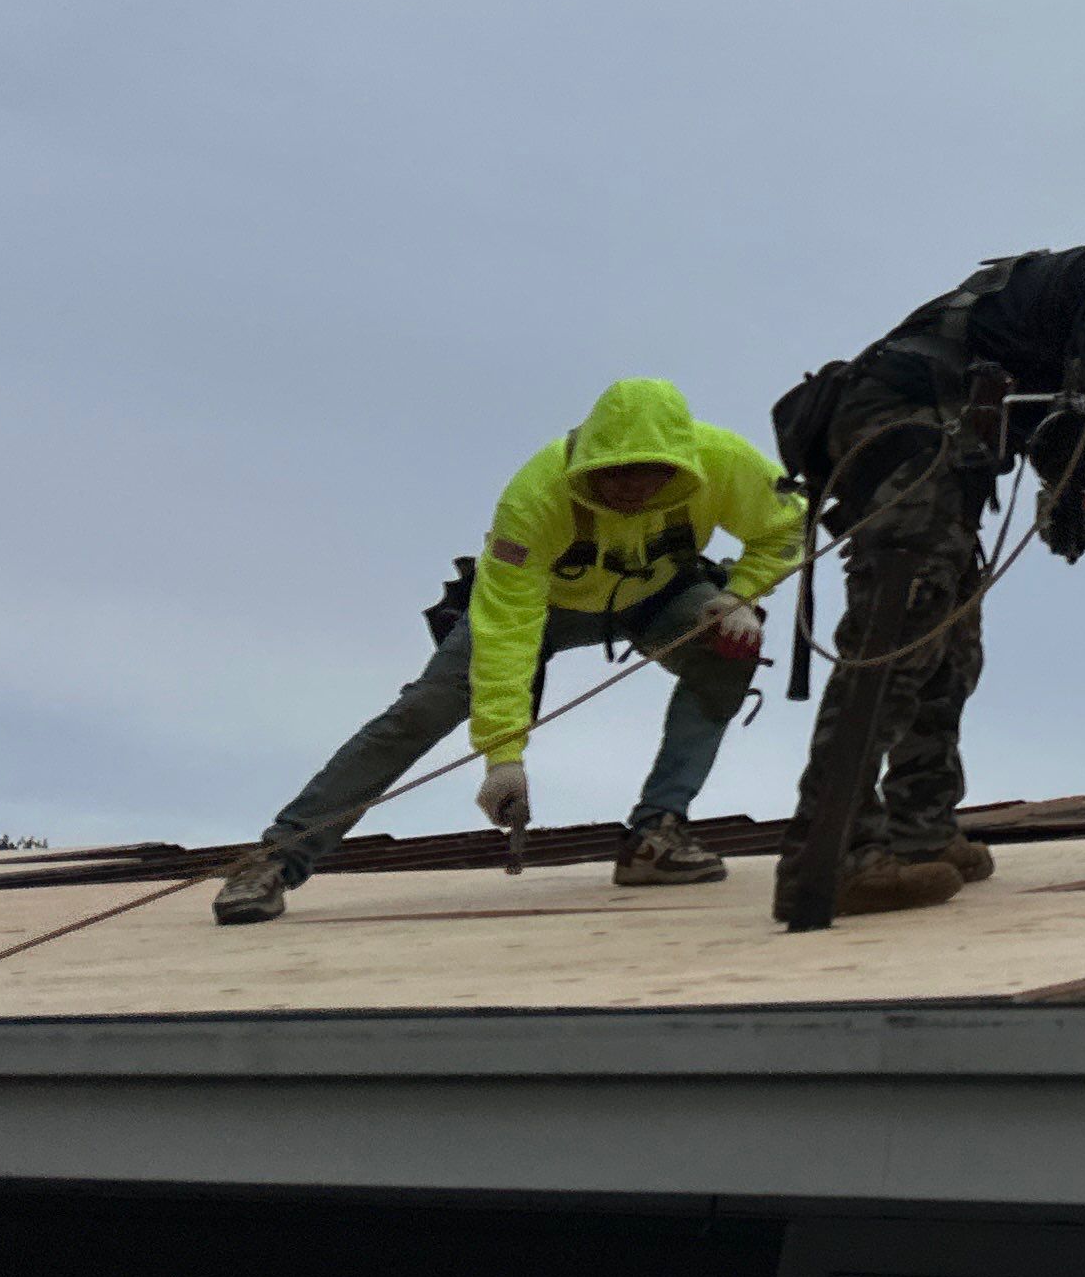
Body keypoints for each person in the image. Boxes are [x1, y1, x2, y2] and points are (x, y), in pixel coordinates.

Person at [774, 223, 1085, 921]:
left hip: (940, 434)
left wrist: (1069, 478)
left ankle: (919, 830)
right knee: (903, 623)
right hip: (910, 421)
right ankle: (832, 861)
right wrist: (1080, 445)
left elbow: (1071, 393)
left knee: (950, 644)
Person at [213, 377, 806, 925]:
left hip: (656, 597)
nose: (634, 487)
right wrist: (502, 756)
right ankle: (276, 858)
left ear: (681, 464)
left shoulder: (724, 463)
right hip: (538, 612)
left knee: (726, 653)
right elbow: (507, 634)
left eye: (652, 473)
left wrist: (739, 596)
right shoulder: (536, 498)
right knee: (424, 709)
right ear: (589, 462)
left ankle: (658, 834)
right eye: (617, 473)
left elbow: (787, 526)